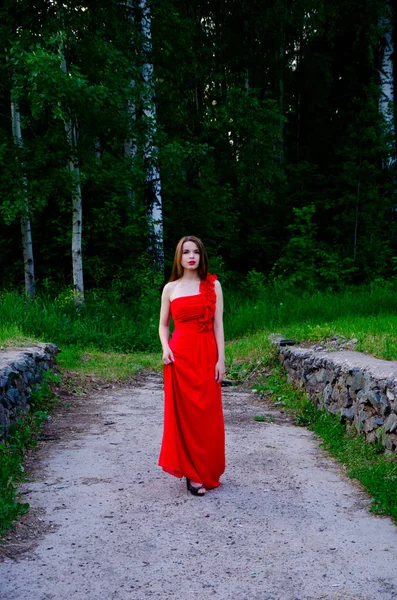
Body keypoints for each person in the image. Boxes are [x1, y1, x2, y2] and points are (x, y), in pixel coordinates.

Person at [158, 235, 226, 496]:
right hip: (179, 357)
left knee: (206, 415)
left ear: (201, 256)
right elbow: (163, 326)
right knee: (183, 416)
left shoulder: (213, 285)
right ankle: (192, 474)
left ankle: (207, 469)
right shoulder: (170, 289)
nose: (191, 256)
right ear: (179, 256)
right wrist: (166, 348)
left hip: (206, 354)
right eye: (186, 252)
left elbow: (219, 326)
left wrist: (221, 359)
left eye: (196, 252)